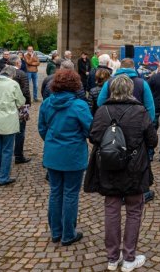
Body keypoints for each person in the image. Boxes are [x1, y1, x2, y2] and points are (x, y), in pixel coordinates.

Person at [84, 75, 156, 271]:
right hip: (134, 167)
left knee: (111, 210)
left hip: (109, 166)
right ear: (130, 90)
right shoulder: (140, 111)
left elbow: (94, 136)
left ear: (111, 90)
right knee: (134, 210)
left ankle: (112, 258)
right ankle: (129, 257)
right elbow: (152, 140)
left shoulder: (102, 110)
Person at [38, 70, 93, 246]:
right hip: (73, 155)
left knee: (55, 192)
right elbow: (89, 130)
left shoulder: (47, 103)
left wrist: (53, 141)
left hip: (53, 154)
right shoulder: (79, 105)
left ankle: (56, 231)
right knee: (70, 194)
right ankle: (68, 233)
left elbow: (42, 129)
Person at [96, 58, 156, 122]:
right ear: (133, 68)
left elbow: (100, 103)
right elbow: (150, 107)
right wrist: (148, 123)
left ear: (120, 67)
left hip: (113, 122)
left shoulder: (109, 82)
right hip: (136, 121)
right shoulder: (143, 83)